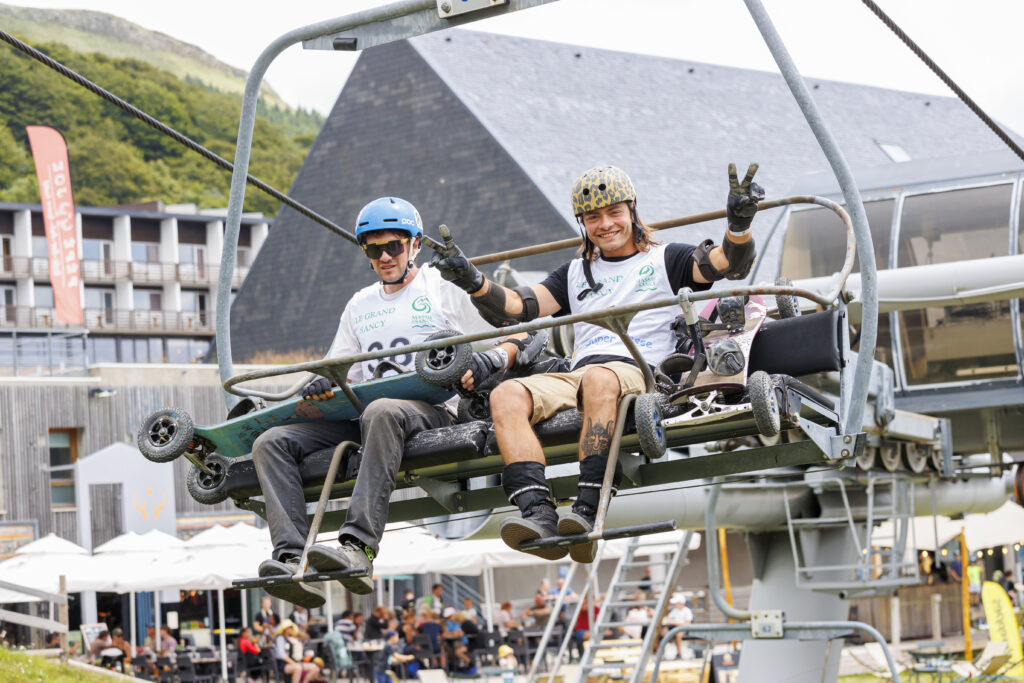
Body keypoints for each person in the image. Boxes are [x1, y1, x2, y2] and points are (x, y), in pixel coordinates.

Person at [432, 164, 762, 562]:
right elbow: (517, 308)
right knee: (505, 394)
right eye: (593, 218)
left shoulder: (667, 259)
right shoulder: (574, 274)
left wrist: (738, 225)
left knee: (600, 380)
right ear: (583, 223)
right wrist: (472, 280)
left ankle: (587, 509)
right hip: (579, 373)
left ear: (633, 211)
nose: (605, 224)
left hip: (637, 370)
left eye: (614, 213)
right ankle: (537, 513)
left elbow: (726, 263)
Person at [254, 197, 527, 603]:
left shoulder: (441, 289)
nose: (384, 256)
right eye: (373, 248)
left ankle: (359, 548)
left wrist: (486, 363)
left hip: (430, 409)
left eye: (393, 246)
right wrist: (320, 383)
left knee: (383, 411)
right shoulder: (359, 304)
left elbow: (515, 331)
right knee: (270, 442)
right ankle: (292, 556)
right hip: (363, 413)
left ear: (415, 245)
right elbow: (337, 368)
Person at [663, 594, 694, 660]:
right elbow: (668, 618)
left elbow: (688, 623)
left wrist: (677, 624)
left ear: (680, 603)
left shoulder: (687, 611)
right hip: (673, 628)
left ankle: (678, 653)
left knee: (678, 634)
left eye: (676, 603)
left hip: (684, 630)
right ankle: (660, 653)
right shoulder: (674, 610)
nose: (674, 605)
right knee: (662, 633)